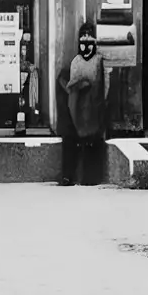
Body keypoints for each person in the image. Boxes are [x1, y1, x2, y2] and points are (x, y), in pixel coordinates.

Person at [56, 22, 107, 186]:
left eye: (89, 40)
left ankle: (89, 177)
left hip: (93, 111)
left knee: (91, 142)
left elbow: (103, 89)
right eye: (83, 40)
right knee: (71, 140)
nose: (86, 46)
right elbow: (71, 89)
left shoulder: (99, 62)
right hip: (77, 111)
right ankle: (69, 175)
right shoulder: (76, 62)